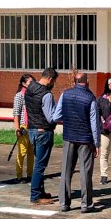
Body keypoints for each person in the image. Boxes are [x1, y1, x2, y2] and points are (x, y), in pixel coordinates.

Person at [53, 73, 101, 213]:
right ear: (87, 81)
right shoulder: (90, 97)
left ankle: (64, 203)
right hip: (85, 140)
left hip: (69, 137)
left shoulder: (65, 94)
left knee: (66, 171)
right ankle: (86, 204)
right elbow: (94, 123)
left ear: (75, 81)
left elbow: (56, 116)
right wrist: (96, 143)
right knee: (85, 172)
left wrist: (68, 119)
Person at [25, 67, 58, 205]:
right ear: (50, 79)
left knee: (38, 163)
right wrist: (59, 110)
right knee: (40, 166)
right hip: (43, 132)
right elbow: (50, 118)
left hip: (32, 130)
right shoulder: (47, 94)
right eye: (54, 81)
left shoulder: (29, 88)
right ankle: (35, 196)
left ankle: (40, 191)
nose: (54, 84)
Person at [12, 74, 35, 184]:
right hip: (23, 127)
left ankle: (30, 174)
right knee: (22, 152)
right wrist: (17, 129)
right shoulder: (19, 96)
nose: (32, 84)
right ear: (23, 84)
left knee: (31, 152)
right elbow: (16, 113)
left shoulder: (32, 95)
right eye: (30, 82)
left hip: (32, 127)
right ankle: (19, 175)